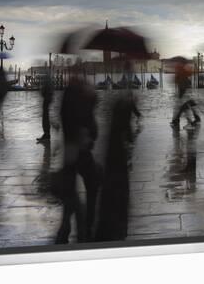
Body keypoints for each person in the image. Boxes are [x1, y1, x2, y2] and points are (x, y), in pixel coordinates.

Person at [55, 76, 101, 244]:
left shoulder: (69, 96)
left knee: (71, 193)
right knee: (90, 186)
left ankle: (66, 229)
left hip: (71, 153)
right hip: (79, 154)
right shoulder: (80, 102)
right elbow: (92, 130)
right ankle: (85, 228)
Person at [95, 90, 141, 242]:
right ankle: (119, 227)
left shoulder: (119, 112)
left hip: (114, 156)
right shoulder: (125, 110)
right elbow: (127, 129)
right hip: (118, 158)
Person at [171, 62, 200, 128]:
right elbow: (183, 84)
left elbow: (182, 86)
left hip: (184, 94)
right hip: (185, 94)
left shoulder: (181, 74)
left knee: (184, 108)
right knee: (185, 107)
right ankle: (195, 119)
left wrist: (181, 95)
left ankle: (189, 123)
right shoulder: (183, 74)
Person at [36, 73, 54, 143]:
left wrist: (43, 93)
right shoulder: (49, 80)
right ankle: (47, 134)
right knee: (45, 116)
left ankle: (47, 134)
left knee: (45, 116)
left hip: (47, 99)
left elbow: (44, 90)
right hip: (47, 98)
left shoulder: (47, 80)